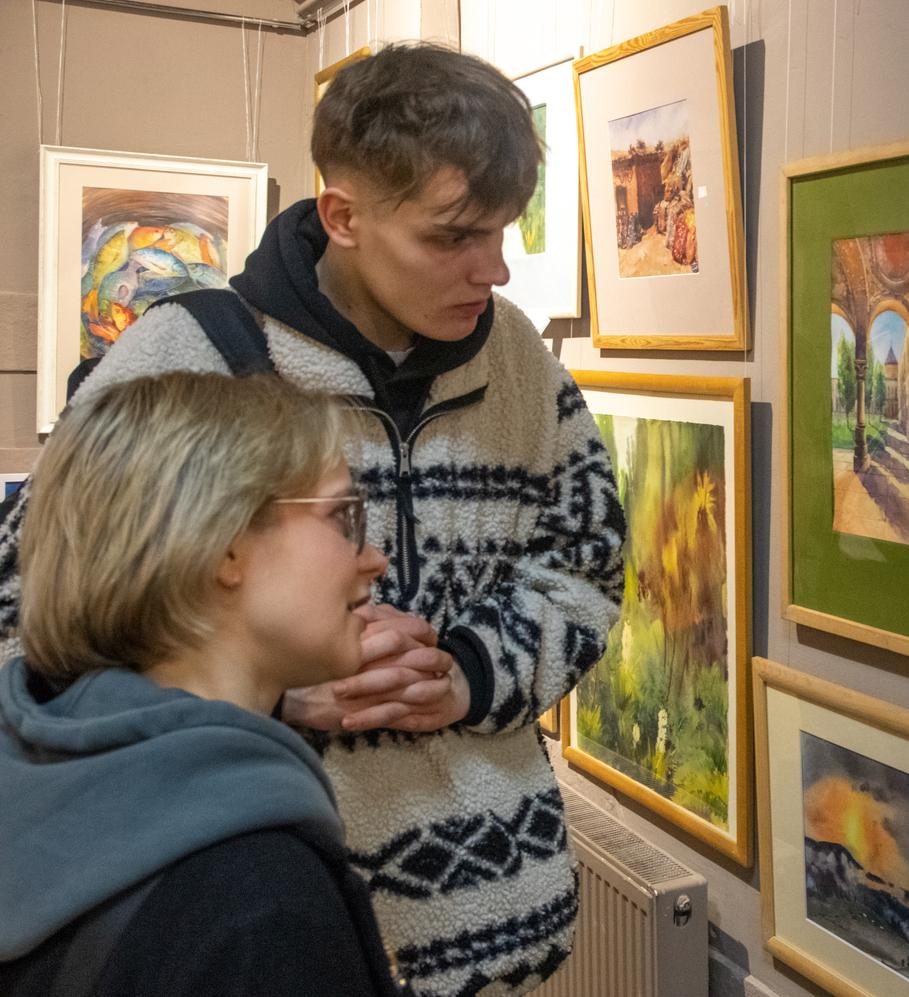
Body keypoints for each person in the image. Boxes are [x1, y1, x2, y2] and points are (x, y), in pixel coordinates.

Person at [0, 42, 625, 997]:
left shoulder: (520, 365)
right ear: (343, 216)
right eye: (453, 236)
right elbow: (32, 619)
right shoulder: (181, 356)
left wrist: (468, 672)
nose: (493, 269)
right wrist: (268, 696)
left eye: (503, 231)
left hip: (508, 928)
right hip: (249, 926)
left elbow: (586, 563)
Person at [0, 372, 403, 995]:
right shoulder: (260, 902)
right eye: (341, 516)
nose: (374, 558)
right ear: (224, 547)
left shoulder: (39, 775)